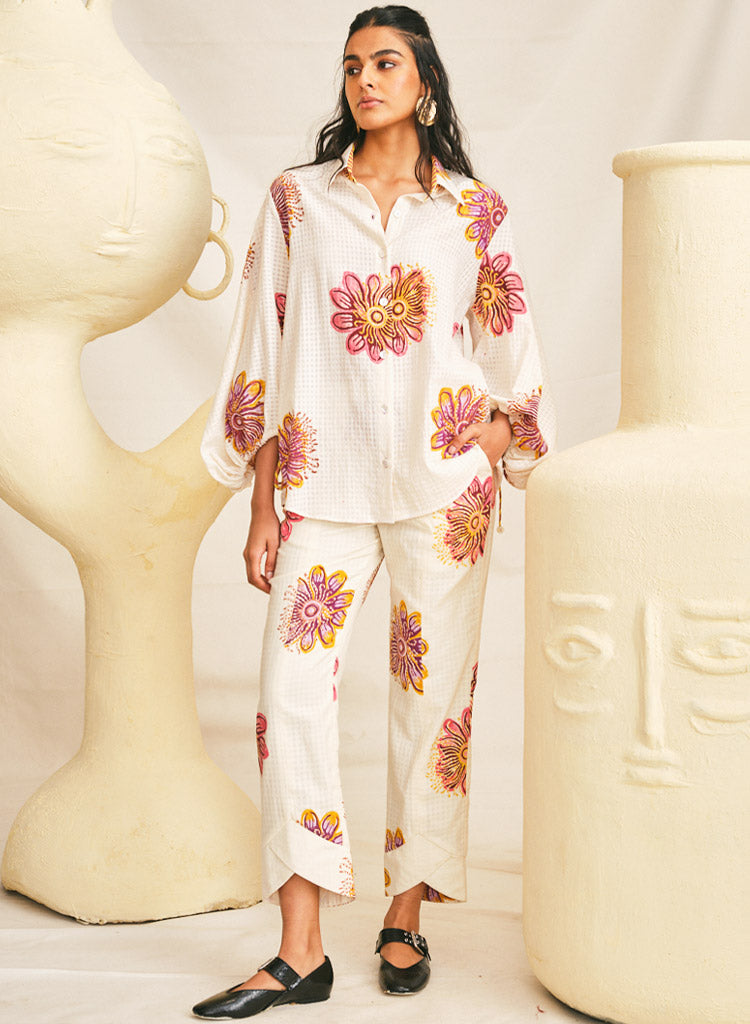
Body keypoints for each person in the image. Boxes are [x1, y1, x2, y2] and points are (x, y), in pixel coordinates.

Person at [194, 4, 555, 1018]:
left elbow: (511, 348)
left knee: (433, 705)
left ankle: (404, 916)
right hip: (323, 485)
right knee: (290, 697)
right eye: (352, 65)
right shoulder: (298, 201)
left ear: (424, 81)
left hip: (444, 491)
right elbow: (265, 352)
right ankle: (299, 951)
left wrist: (497, 440)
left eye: (385, 63)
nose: (364, 80)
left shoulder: (473, 212)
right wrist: (263, 503)